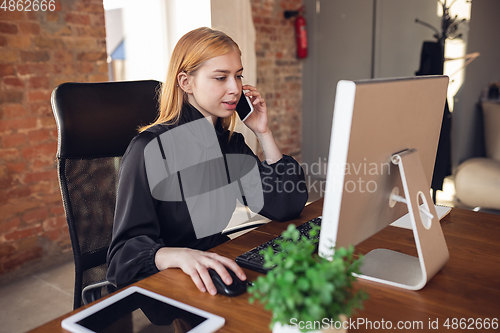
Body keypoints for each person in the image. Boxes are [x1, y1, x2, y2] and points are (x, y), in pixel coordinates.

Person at [107, 27, 308, 296]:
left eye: (238, 76)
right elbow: (122, 258)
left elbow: (286, 205)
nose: (235, 88)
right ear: (186, 82)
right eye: (220, 77)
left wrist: (263, 132)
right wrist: (180, 256)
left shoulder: (228, 143)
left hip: (217, 263)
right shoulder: (150, 149)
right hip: (170, 279)